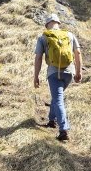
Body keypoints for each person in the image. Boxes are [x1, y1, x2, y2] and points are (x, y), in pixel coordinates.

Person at [33, 13, 84, 141]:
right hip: (68, 73)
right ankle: (52, 120)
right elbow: (77, 53)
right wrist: (78, 72)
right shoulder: (69, 35)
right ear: (58, 23)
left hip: (53, 73)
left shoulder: (43, 37)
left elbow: (38, 58)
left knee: (58, 99)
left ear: (47, 24)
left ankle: (64, 130)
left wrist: (36, 76)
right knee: (57, 97)